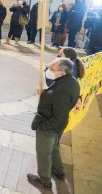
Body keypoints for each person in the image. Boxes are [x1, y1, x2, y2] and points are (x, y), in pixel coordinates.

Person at [28, 58, 80, 190]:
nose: (49, 71)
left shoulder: (61, 90)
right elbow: (59, 102)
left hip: (49, 126)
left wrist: (42, 127)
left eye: (52, 69)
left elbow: (59, 117)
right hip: (57, 127)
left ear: (62, 72)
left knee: (44, 153)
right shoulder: (71, 81)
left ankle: (44, 180)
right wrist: (45, 93)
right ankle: (58, 171)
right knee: (55, 147)